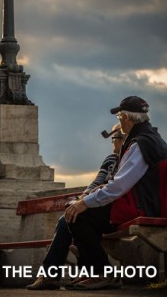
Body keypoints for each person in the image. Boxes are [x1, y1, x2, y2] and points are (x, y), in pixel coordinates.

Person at [63, 96, 167, 290]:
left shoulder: (140, 144)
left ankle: (101, 274)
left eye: (121, 117)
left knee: (78, 215)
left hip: (138, 207)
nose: (120, 122)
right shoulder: (150, 139)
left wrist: (84, 202)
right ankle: (94, 273)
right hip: (145, 203)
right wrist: (96, 193)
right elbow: (124, 181)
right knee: (79, 213)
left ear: (127, 118)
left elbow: (119, 186)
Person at [26, 123, 124, 290]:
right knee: (67, 218)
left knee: (72, 218)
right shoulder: (110, 160)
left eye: (114, 138)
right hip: (96, 206)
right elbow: (97, 181)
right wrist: (85, 195)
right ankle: (52, 275)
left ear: (123, 139)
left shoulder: (129, 160)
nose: (112, 142)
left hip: (111, 211)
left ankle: (54, 275)